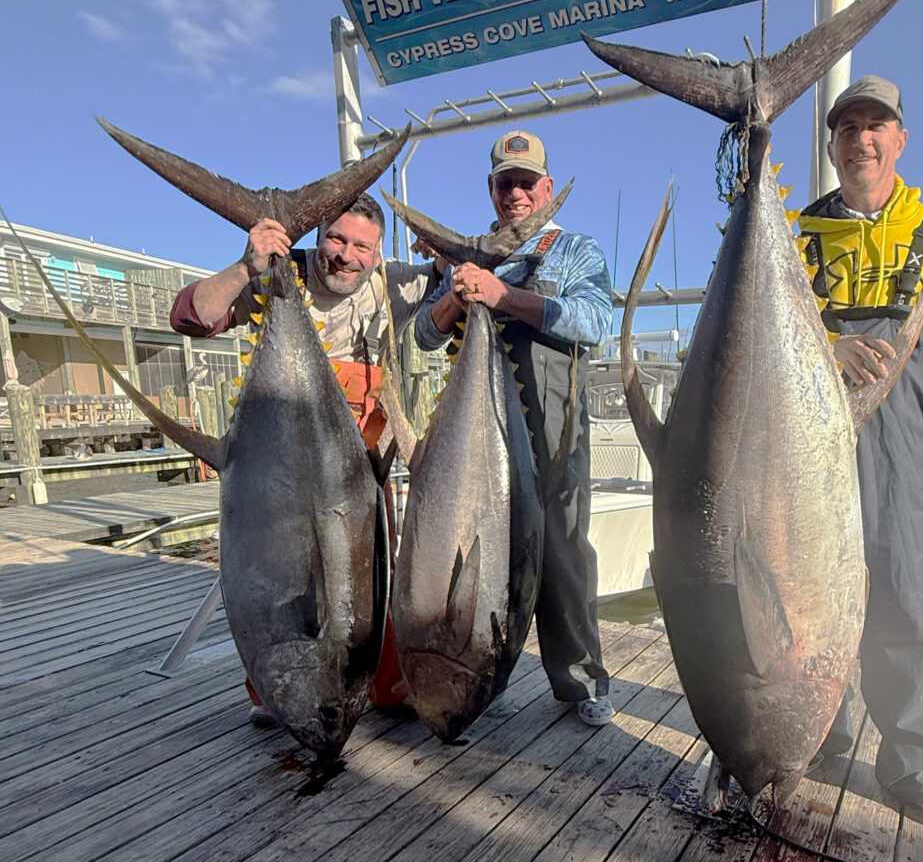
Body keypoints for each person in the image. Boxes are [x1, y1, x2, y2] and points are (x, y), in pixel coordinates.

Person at [798, 76, 923, 838]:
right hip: (807, 452)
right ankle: (816, 736)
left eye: (876, 125)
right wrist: (825, 344)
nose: (862, 139)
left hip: (904, 453)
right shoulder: (791, 233)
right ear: (831, 144)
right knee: (804, 599)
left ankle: (913, 767)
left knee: (903, 609)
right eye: (848, 126)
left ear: (900, 139)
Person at [171, 191, 444, 720]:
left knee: (370, 577)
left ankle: (383, 686)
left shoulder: (396, 284)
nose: (347, 255)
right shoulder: (279, 273)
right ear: (318, 238)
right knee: (281, 573)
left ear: (379, 252)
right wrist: (246, 266)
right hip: (285, 460)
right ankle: (280, 691)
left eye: (362, 246)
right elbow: (188, 317)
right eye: (336, 239)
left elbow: (449, 287)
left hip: (360, 460)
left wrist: (445, 255)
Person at [414, 129, 615, 727]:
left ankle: (579, 683)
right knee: (468, 551)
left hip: (552, 433)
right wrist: (457, 293)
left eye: (528, 182)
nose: (517, 192)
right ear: (493, 190)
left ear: (547, 188)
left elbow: (593, 320)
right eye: (507, 182)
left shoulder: (578, 249)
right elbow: (426, 335)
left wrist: (502, 295)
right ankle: (470, 673)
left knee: (564, 552)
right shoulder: (462, 260)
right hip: (475, 434)